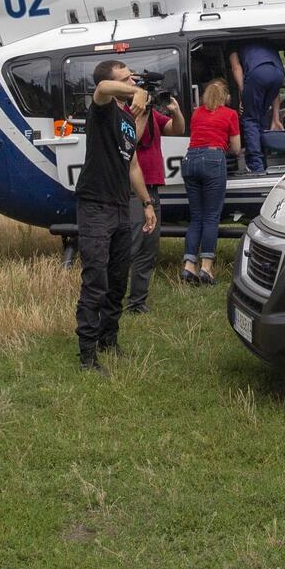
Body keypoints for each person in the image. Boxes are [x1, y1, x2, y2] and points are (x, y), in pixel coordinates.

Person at [74, 59, 158, 372]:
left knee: (117, 279)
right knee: (96, 279)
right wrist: (134, 90)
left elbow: (131, 161)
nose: (131, 75)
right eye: (125, 73)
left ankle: (108, 340)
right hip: (95, 205)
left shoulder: (123, 117)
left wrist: (147, 203)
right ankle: (86, 356)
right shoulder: (102, 107)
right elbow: (103, 87)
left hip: (121, 206)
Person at [123, 90, 185, 314]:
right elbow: (132, 141)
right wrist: (143, 113)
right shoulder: (126, 117)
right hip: (133, 191)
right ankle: (109, 298)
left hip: (153, 190)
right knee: (132, 245)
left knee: (148, 249)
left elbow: (177, 130)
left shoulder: (154, 117)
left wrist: (176, 112)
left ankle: (137, 302)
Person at [182, 79, 241, 286]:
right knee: (211, 217)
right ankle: (206, 268)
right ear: (226, 97)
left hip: (190, 160)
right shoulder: (230, 114)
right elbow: (235, 147)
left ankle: (189, 266)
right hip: (213, 160)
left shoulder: (197, 113)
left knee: (196, 217)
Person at [228, 40, 285, 174]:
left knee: (249, 119)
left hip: (257, 73)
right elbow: (275, 94)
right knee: (260, 116)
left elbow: (236, 67)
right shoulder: (268, 44)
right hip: (278, 74)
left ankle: (256, 166)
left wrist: (243, 92)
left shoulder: (231, 43)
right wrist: (275, 118)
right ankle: (263, 160)